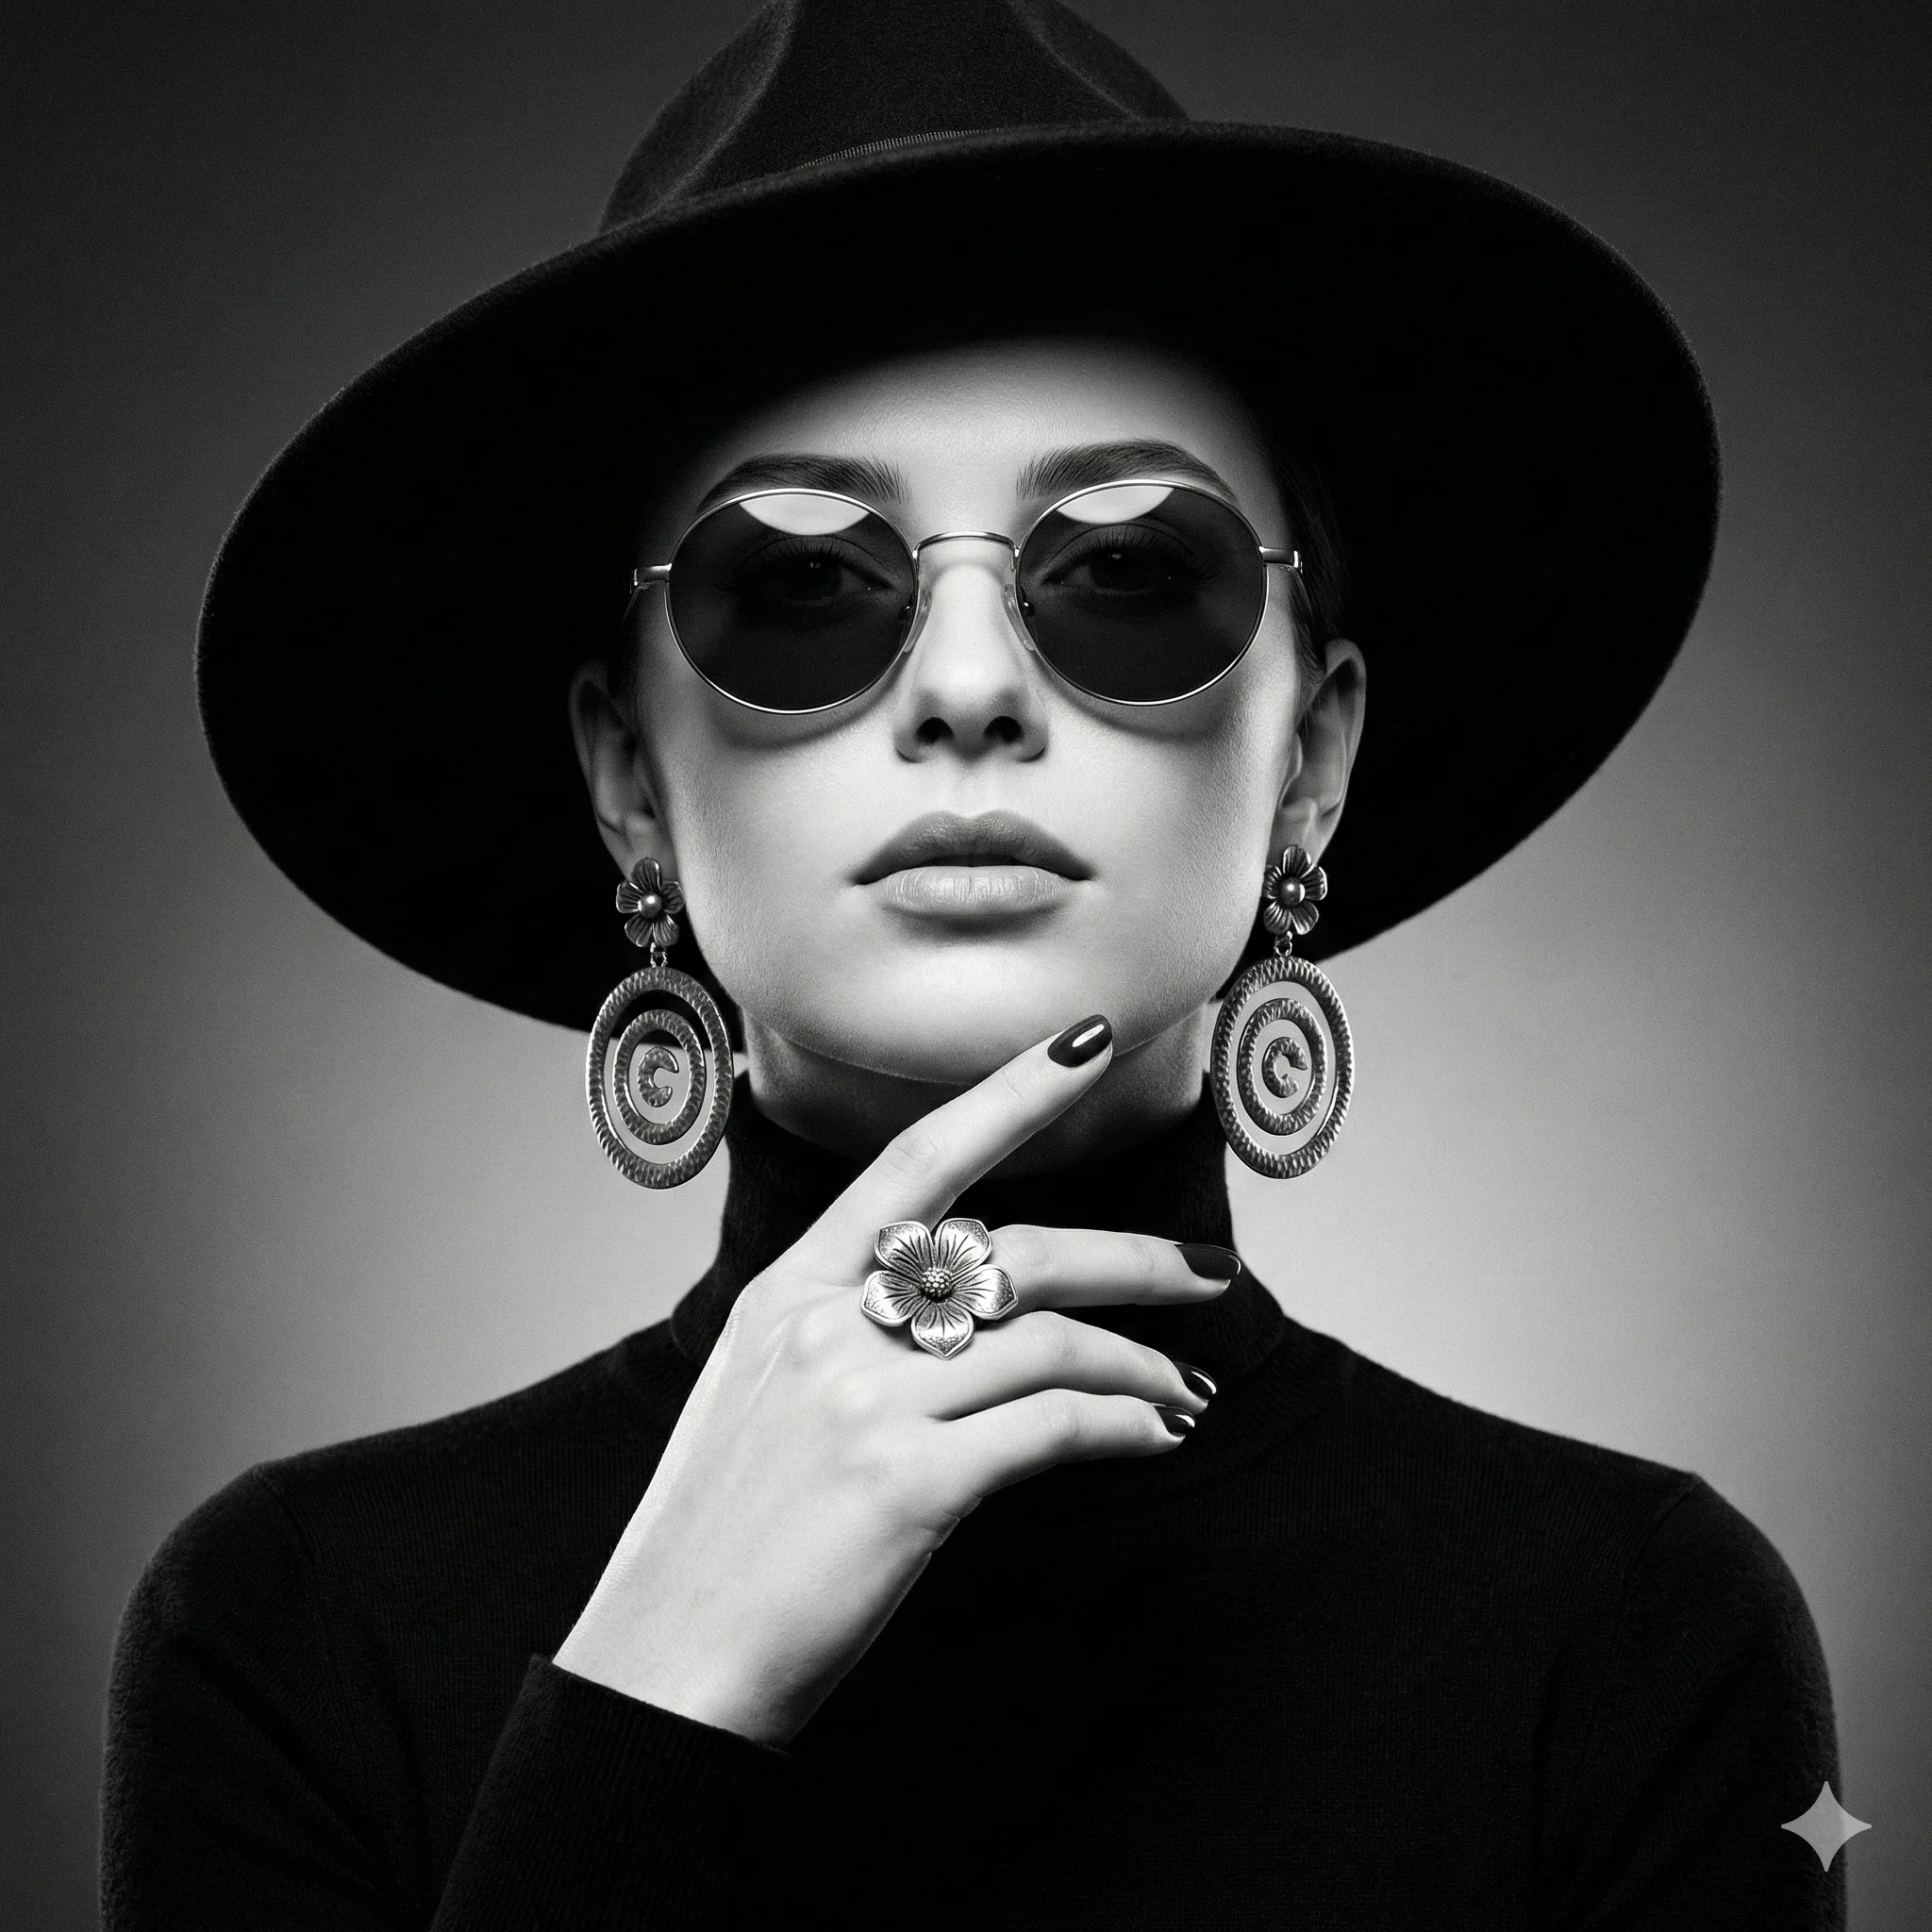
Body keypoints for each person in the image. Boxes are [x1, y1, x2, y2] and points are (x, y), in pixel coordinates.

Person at [103, 2, 1843, 1925]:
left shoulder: (1633, 1631)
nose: (962, 688)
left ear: (1313, 756)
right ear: (627, 777)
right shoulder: (295, 1625)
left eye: (1127, 569)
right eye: (796, 580)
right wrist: (650, 1689)